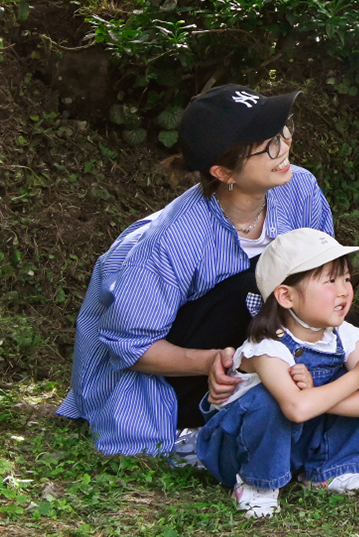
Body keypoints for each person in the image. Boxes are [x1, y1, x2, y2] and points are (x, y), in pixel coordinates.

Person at [60, 85, 334, 457]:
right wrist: (213, 363)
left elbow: (325, 277)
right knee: (251, 283)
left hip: (263, 353)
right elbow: (130, 345)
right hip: (185, 369)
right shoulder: (173, 237)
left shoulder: (300, 188)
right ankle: (198, 423)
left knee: (300, 280)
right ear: (223, 172)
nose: (283, 147)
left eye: (282, 130)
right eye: (267, 145)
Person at [195, 228, 359, 518]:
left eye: (346, 279)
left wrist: (321, 394)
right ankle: (256, 484)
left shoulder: (344, 335)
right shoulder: (266, 348)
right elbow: (297, 409)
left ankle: (329, 471)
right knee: (269, 400)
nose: (344, 291)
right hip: (238, 451)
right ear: (286, 296)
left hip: (294, 446)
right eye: (330, 281)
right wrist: (357, 377)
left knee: (340, 385)